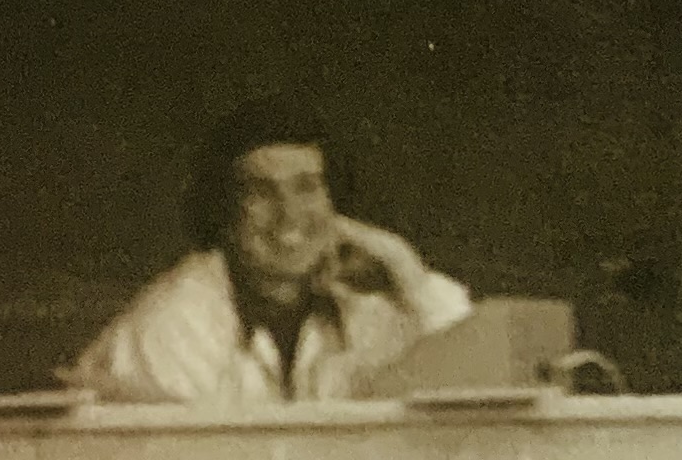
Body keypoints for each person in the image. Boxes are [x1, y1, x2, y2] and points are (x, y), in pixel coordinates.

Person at [64, 95, 472, 405]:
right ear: (223, 211)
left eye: (307, 187)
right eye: (260, 191)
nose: (288, 214)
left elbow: (477, 385)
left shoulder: (360, 304)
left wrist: (407, 272)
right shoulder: (176, 320)